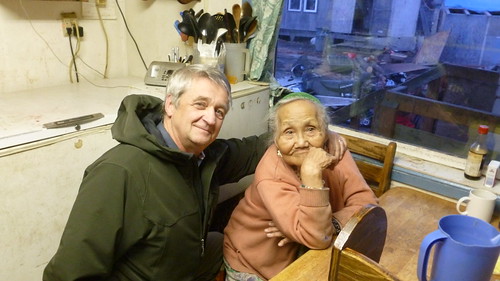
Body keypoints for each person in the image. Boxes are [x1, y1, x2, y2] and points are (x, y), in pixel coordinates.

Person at [43, 65, 346, 281]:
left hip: (188, 265)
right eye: (200, 104)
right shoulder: (117, 172)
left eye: (219, 111)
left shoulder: (204, 157)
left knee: (218, 241)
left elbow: (257, 148)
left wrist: (320, 135)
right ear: (171, 105)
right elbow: (69, 273)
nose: (210, 118)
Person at [223, 92, 378, 281]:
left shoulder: (334, 150)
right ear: (276, 139)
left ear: (325, 131)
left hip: (307, 254)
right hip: (253, 262)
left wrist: (330, 224)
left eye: (311, 129)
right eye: (289, 132)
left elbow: (368, 205)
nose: (302, 142)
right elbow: (317, 238)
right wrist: (311, 176)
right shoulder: (270, 174)